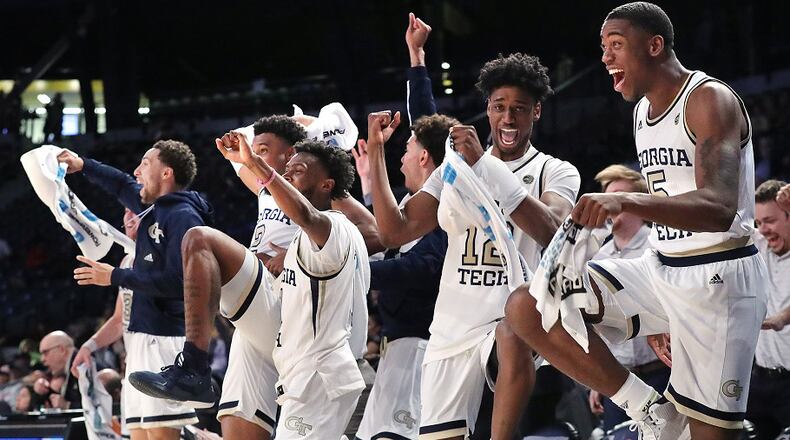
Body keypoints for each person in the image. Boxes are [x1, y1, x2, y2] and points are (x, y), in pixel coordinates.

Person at [505, 2, 768, 439]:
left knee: (709, 435)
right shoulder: (640, 114)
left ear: (654, 45)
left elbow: (719, 209)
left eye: (616, 45)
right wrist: (655, 315)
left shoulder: (708, 99)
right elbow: (668, 205)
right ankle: (647, 408)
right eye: (603, 47)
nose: (605, 57)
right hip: (663, 267)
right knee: (530, 305)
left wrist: (628, 200)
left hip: (719, 275)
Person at [364, 16, 579, 440]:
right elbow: (396, 233)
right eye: (500, 107)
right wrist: (375, 153)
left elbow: (552, 230)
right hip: (450, 328)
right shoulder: (453, 168)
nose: (509, 117)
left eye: (519, 107)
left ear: (536, 110)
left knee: (512, 333)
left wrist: (485, 166)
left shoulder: (556, 171)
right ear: (488, 110)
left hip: (513, 328)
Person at [131, 136, 370, 440]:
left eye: (296, 171)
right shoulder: (309, 242)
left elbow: (309, 217)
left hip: (320, 374)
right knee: (200, 241)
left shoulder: (337, 227)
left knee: (200, 238)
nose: (285, 174)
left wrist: (255, 164)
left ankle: (193, 368)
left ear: (326, 185)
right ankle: (193, 370)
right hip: (298, 362)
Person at [58, 139, 211, 436]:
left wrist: (116, 277)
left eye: (145, 163)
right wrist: (84, 165)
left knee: (160, 434)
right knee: (140, 435)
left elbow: (180, 283)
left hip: (165, 340)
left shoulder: (182, 218)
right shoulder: (156, 209)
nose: (136, 171)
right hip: (140, 341)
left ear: (166, 174)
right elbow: (120, 184)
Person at [353, 113, 455, 440]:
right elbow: (388, 241)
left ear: (424, 157)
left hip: (419, 348)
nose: (403, 157)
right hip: (398, 346)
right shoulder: (413, 202)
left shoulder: (444, 207)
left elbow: (422, 269)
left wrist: (352, 272)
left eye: (408, 148)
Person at [585, 165, 670, 433]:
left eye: (620, 196)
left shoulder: (659, 246)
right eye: (607, 196)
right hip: (618, 378)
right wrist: (596, 379)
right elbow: (595, 326)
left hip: (664, 371)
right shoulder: (597, 256)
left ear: (640, 203)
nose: (610, 203)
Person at [748, 179, 790, 440]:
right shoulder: (759, 245)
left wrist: (782, 318)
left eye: (770, 221)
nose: (763, 229)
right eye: (759, 222)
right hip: (760, 380)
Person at [35, 331, 81, 409]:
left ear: (62, 350)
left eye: (45, 353)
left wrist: (68, 406)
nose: (42, 359)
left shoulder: (82, 366)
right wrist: (47, 391)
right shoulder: (72, 366)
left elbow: (97, 405)